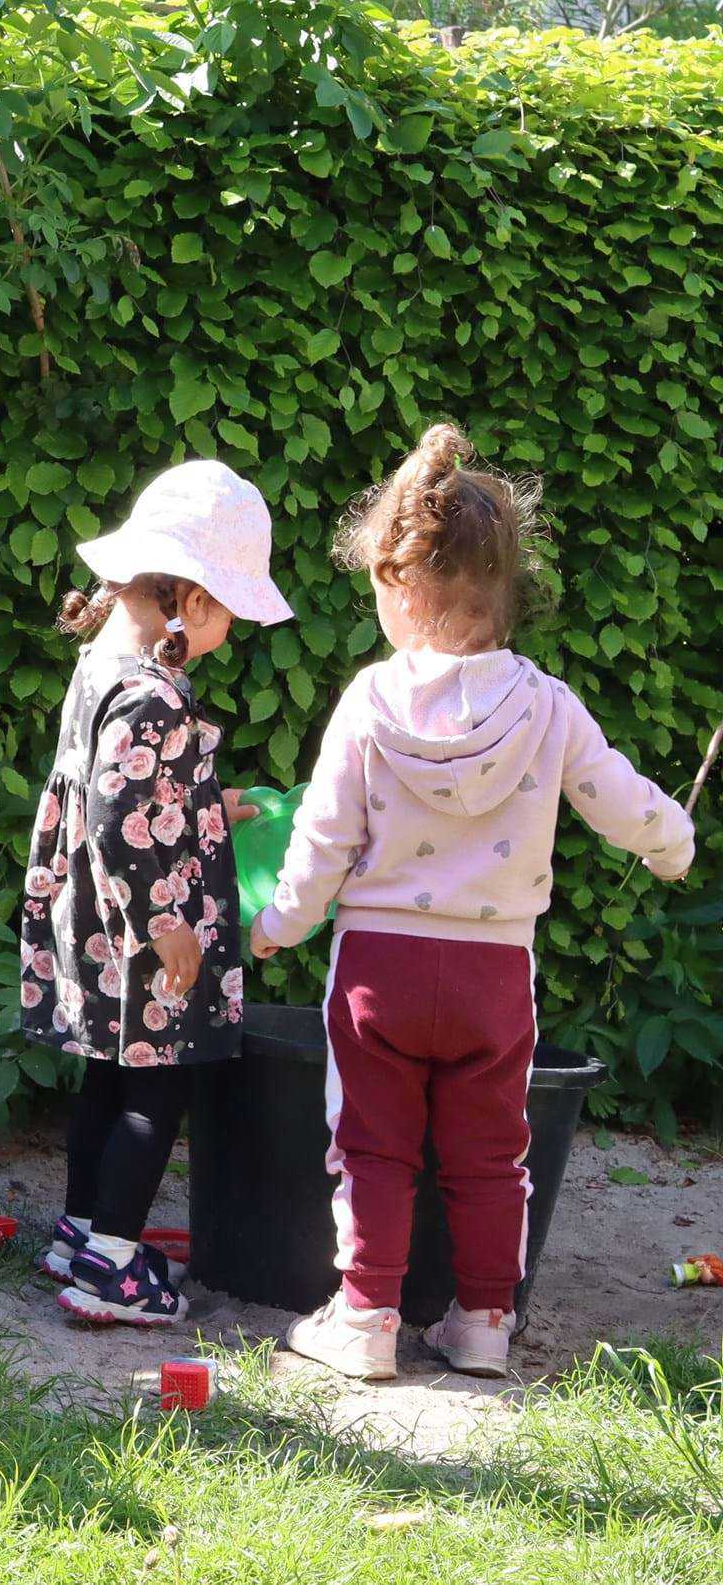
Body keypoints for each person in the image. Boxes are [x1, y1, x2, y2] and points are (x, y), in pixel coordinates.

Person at [254, 423, 695, 1381]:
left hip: (379, 967)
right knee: (494, 1155)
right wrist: (676, 843)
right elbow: (621, 797)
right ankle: (484, 1321)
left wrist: (278, 925)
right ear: (506, 587)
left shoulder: (368, 703)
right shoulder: (548, 704)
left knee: (371, 1146)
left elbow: (321, 839)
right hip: (496, 972)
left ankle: (367, 1318)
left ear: (398, 589)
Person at [20, 461, 293, 1326]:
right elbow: (120, 807)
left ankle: (80, 1231)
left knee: (106, 1079)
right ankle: (112, 1266)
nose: (230, 631)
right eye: (229, 614)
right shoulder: (152, 696)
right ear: (191, 602)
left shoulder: (103, 670)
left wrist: (214, 803)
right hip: (143, 937)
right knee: (154, 1093)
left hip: (95, 927)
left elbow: (138, 792)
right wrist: (166, 920)